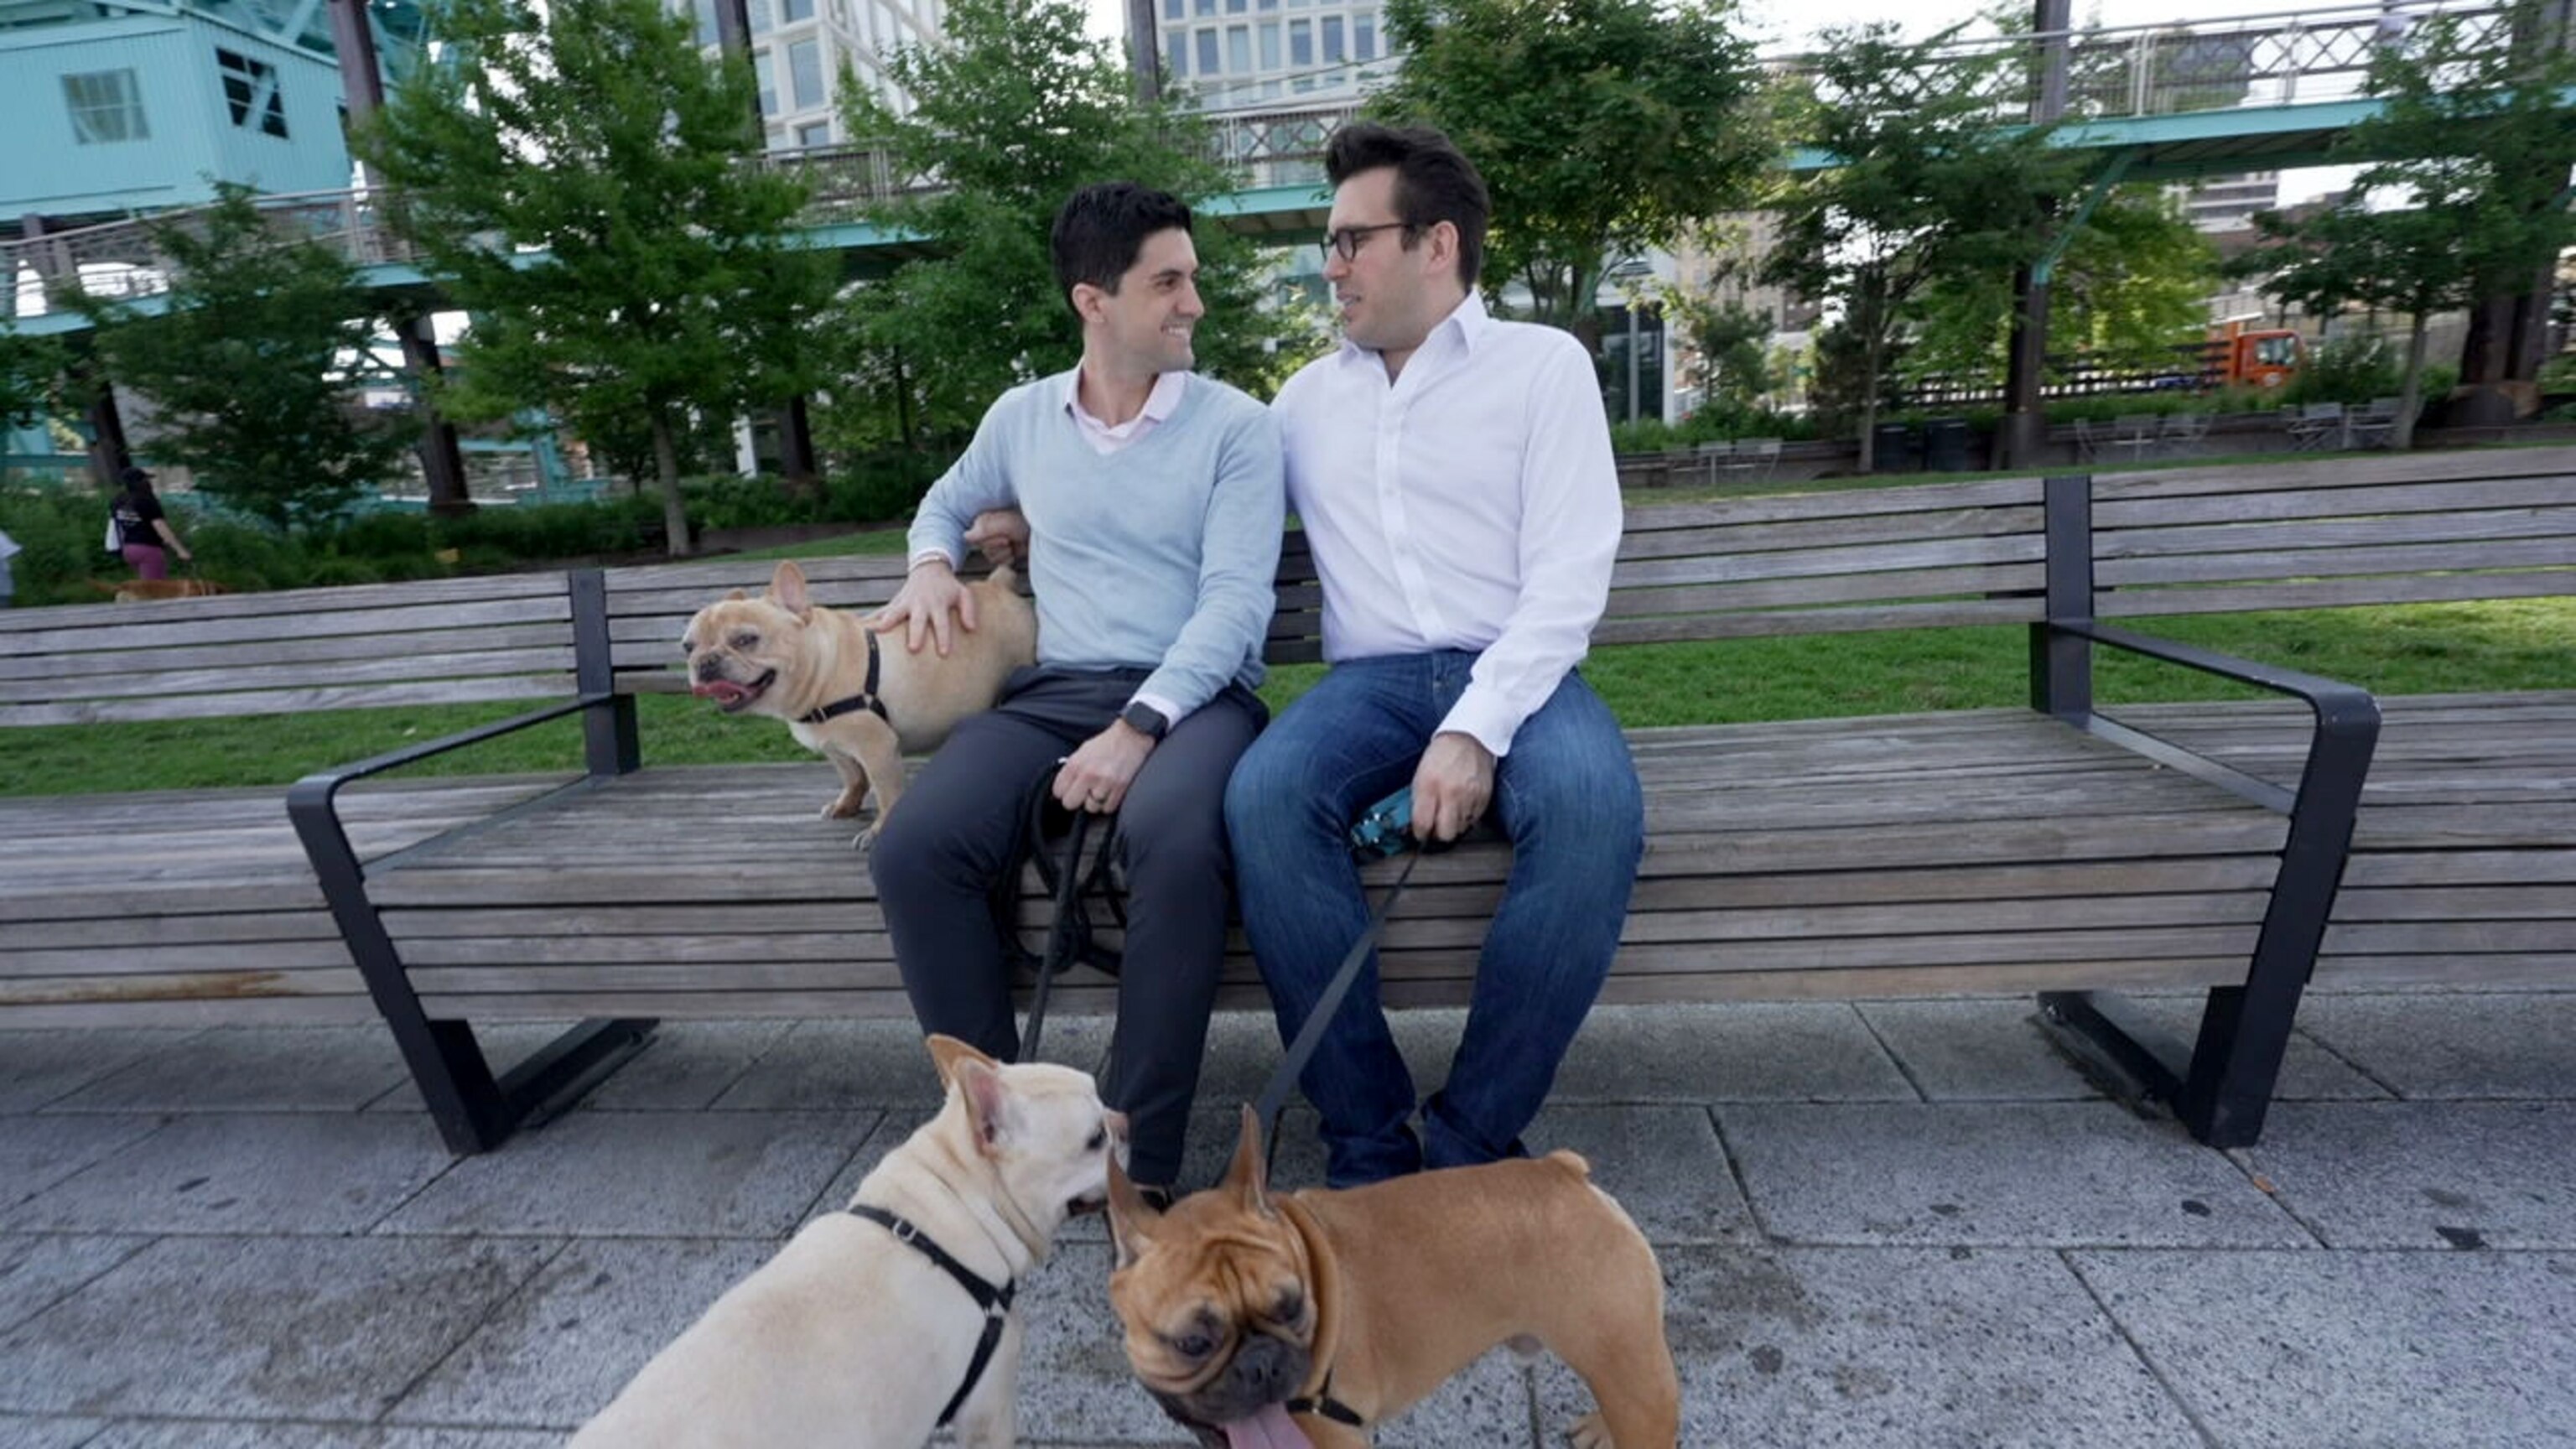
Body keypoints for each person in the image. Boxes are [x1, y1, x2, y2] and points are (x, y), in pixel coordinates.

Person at [1222, 122, 1645, 1188]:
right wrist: (1012, 531)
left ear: (1437, 243)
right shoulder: (1304, 402)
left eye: (1352, 239)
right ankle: (1368, 1144)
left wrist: (1473, 729)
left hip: (1521, 669)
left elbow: (1567, 581)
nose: (1332, 266)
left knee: (1594, 810)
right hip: (1368, 686)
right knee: (1267, 796)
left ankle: (1468, 1144)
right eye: (1330, 242)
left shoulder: (1543, 370)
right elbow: (1201, 512)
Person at [867, 181, 1285, 1201]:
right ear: (1093, 302)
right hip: (1053, 694)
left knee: (1178, 847)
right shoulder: (1023, 418)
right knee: (917, 847)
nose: (1195, 303)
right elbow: (946, 500)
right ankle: (1000, 1138)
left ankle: (1138, 1168)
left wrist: (1139, 728)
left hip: (1197, 696)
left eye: (1193, 279)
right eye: (1169, 283)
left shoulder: (1236, 429)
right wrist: (930, 562)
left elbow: (1233, 609)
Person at [111, 466, 192, 579]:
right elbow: (160, 526)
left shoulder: (118, 500)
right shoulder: (146, 499)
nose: (149, 482)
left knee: (146, 587)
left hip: (128, 549)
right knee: (157, 589)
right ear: (141, 482)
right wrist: (180, 550)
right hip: (148, 549)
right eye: (146, 479)